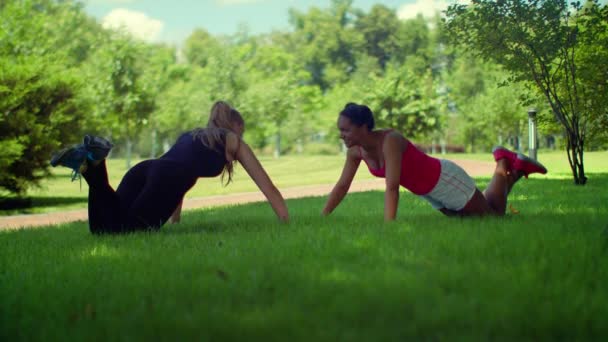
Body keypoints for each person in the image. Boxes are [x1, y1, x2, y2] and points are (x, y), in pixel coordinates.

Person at [50, 101, 289, 234]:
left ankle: (91, 161)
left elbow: (179, 180)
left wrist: (175, 221)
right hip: (164, 177)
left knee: (102, 230)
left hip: (144, 169)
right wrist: (285, 223)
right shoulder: (233, 141)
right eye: (242, 130)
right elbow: (267, 187)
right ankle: (94, 163)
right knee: (130, 232)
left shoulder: (194, 135)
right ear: (235, 125)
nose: (242, 135)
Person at [322, 103, 547, 221]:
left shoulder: (390, 141)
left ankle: (502, 163)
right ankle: (515, 169)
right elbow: (342, 186)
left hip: (444, 180)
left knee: (492, 219)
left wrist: (389, 227)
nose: (342, 135)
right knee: (473, 220)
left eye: (346, 130)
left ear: (363, 127)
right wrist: (323, 217)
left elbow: (392, 187)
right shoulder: (356, 152)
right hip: (428, 192)